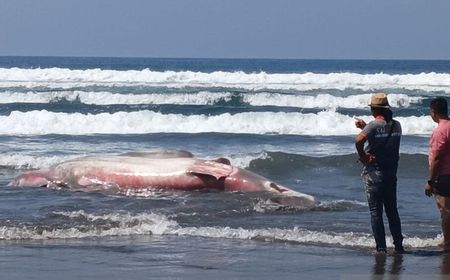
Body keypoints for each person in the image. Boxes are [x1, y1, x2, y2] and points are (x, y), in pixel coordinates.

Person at [354, 92, 404, 253]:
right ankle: (398, 245)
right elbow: (380, 136)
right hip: (391, 174)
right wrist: (365, 127)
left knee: (376, 212)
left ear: (374, 110)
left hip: (374, 174)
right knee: (392, 211)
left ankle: (381, 248)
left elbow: (359, 140)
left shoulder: (373, 125)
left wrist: (363, 156)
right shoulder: (397, 125)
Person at [425, 97, 450, 252]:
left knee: (445, 210)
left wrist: (430, 181)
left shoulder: (440, 130)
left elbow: (437, 158)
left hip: (444, 175)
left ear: (434, 112)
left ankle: (447, 242)